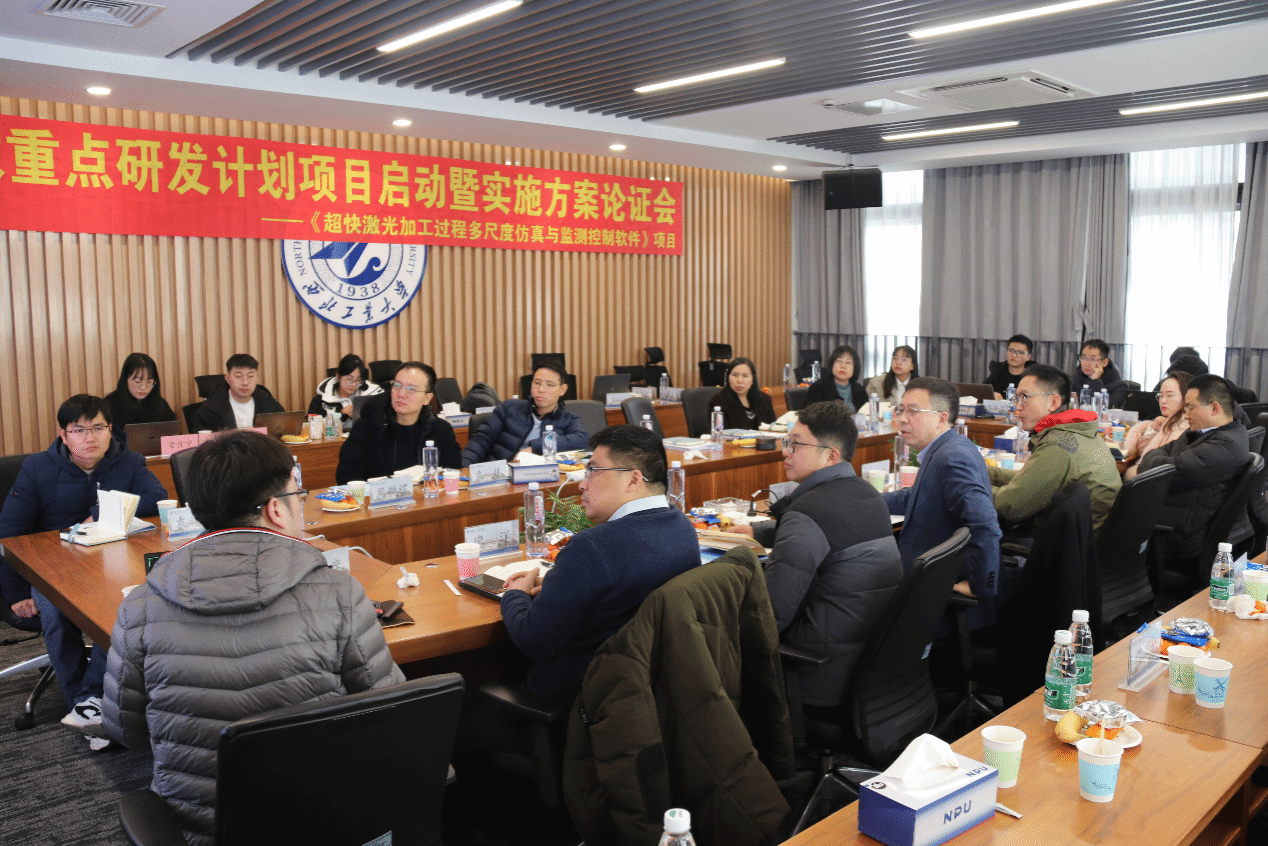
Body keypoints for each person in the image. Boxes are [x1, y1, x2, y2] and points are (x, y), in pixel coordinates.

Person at [102, 430, 403, 845]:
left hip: (201, 833)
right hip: (325, 823)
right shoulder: (340, 593)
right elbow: (389, 709)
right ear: (276, 509)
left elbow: (126, 731)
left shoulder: (139, 605)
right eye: (299, 496)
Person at [0, 395, 167, 750]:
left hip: (110, 562)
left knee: (123, 607)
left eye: (98, 428)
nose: (89, 438)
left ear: (110, 430)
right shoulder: (37, 468)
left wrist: (102, 511)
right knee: (55, 613)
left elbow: (156, 496)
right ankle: (85, 701)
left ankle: (92, 703)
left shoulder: (129, 461)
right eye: (79, 430)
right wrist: (14, 593)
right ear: (63, 435)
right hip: (51, 567)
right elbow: (10, 533)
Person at [499, 425, 699, 705]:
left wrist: (515, 594)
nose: (582, 484)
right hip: (649, 690)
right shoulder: (682, 527)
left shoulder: (591, 547)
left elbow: (533, 639)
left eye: (592, 470)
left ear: (632, 480)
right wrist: (562, 584)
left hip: (581, 698)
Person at [724, 401, 902, 708]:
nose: (785, 453)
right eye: (786, 442)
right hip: (871, 663)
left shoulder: (807, 513)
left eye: (796, 445)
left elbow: (771, 617)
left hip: (818, 671)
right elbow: (831, 528)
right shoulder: (867, 494)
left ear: (831, 455)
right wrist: (758, 531)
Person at [884, 378, 1002, 600]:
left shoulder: (951, 458)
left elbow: (985, 523)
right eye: (901, 410)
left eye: (913, 411)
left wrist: (981, 586)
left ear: (941, 418)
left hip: (934, 587)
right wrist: (870, 500)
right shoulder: (945, 448)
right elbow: (919, 497)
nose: (902, 418)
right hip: (925, 574)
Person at [989, 364, 1121, 532]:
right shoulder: (1079, 429)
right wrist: (987, 473)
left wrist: (968, 484)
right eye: (1017, 398)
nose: (1018, 407)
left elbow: (1010, 506)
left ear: (1053, 402)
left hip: (1072, 541)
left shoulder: (1058, 444)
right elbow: (1030, 480)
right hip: (1089, 535)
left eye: (1025, 397)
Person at [1138, 374, 1250, 562]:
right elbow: (1159, 454)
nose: (1186, 414)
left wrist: (1157, 459)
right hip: (1174, 519)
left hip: (1177, 536)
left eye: (1190, 407)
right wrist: (1159, 458)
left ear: (1214, 408)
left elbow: (1158, 473)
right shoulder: (1203, 432)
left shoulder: (1223, 447)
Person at [335, 361, 460, 483]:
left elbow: (453, 474)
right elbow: (347, 478)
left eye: (411, 389)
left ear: (427, 398)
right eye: (397, 386)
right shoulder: (366, 427)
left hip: (426, 496)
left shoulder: (441, 430)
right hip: (375, 496)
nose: (401, 394)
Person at [461, 360, 587, 466]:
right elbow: (481, 440)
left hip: (542, 477)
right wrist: (463, 467)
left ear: (562, 390)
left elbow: (582, 440)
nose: (541, 389)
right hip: (500, 473)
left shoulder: (569, 419)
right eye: (537, 383)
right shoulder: (509, 407)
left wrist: (535, 447)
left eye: (549, 385)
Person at [1122, 372, 1191, 480]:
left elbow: (1148, 462)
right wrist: (1150, 428)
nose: (1163, 400)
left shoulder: (1182, 426)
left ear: (1187, 397)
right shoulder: (1165, 423)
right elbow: (1141, 448)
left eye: (1170, 395)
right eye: (1161, 396)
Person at [192, 353, 284, 431]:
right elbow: (201, 440)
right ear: (228, 378)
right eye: (238, 376)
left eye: (250, 376)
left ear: (257, 377)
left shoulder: (269, 403)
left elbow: (283, 432)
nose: (245, 382)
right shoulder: (211, 407)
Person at [104, 352, 176, 430]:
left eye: (149, 382)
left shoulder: (161, 405)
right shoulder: (108, 407)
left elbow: (173, 432)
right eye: (138, 381)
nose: (143, 387)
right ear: (125, 379)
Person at [307, 353, 383, 421]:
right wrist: (340, 413)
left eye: (358, 380)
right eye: (349, 379)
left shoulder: (371, 395)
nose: (353, 384)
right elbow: (314, 423)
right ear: (338, 376)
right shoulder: (321, 400)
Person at [710, 357, 777, 429]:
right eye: (735, 375)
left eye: (745, 376)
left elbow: (773, 429)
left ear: (752, 379)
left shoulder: (764, 400)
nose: (739, 381)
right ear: (728, 378)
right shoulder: (718, 402)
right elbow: (719, 432)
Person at [805, 344, 867, 412]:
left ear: (855, 368)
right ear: (832, 365)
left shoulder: (860, 390)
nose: (843, 366)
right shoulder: (818, 388)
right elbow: (807, 414)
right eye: (839, 361)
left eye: (848, 362)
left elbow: (867, 414)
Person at [1070, 338, 1128, 408]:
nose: (1086, 363)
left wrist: (1095, 381)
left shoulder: (1120, 386)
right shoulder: (1075, 379)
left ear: (1104, 362)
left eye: (1092, 359)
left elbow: (1107, 408)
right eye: (1084, 358)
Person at [987, 334, 1036, 399]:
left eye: (1019, 352)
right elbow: (982, 392)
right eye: (1011, 350)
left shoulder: (1033, 376)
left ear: (1028, 357)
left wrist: (1002, 401)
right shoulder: (998, 371)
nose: (1014, 355)